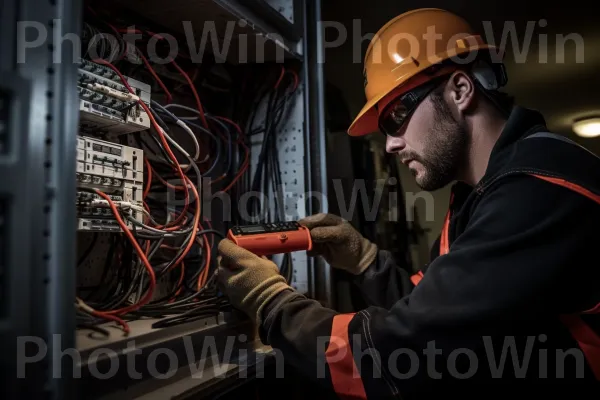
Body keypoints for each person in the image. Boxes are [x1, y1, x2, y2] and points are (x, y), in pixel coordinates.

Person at [216, 8, 600, 398]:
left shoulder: (537, 190)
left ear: (460, 90)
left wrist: (271, 302)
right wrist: (365, 261)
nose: (389, 144)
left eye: (397, 115)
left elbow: (404, 352)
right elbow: (434, 308)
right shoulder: (478, 195)